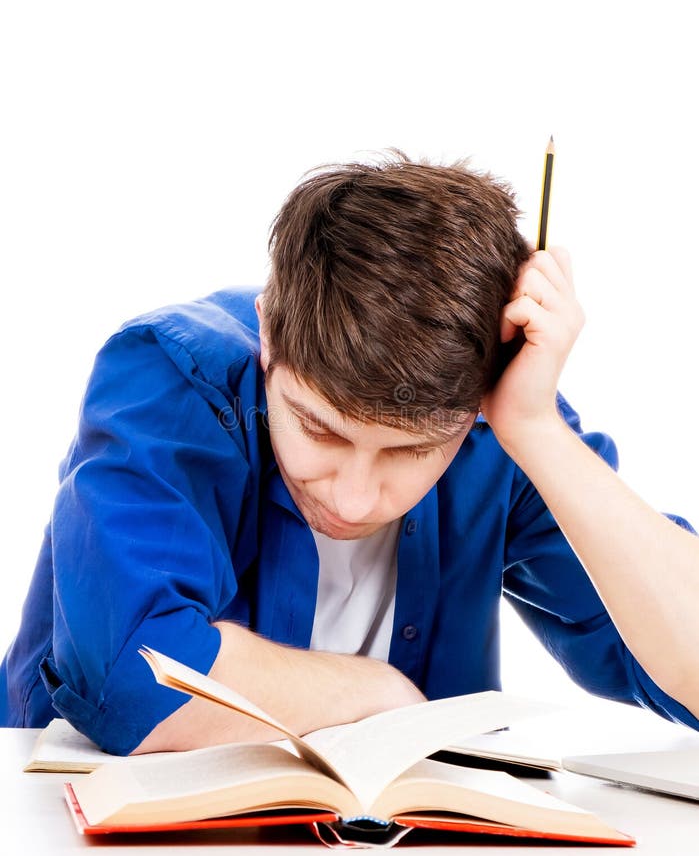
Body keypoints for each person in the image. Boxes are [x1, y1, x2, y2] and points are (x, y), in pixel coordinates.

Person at [1, 151, 697, 756]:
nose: (353, 499)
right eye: (320, 429)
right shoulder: (173, 377)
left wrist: (537, 430)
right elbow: (133, 677)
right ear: (270, 334)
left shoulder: (501, 425)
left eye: (412, 450)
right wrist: (377, 695)